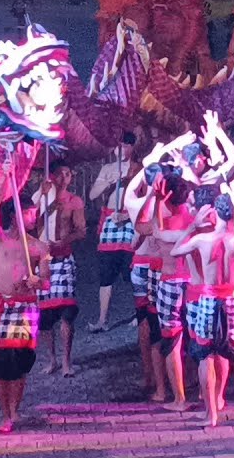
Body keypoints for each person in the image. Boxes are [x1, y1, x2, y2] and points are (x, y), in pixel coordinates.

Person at [171, 181, 234, 428]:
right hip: (232, 299)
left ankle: (212, 414)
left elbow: (176, 251)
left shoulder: (203, 240)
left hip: (208, 298)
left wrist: (191, 228)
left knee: (206, 354)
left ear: (215, 213)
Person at [0, 162, 50, 434]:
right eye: (30, 212)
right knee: (3, 362)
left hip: (26, 307)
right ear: (16, 216)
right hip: (2, 303)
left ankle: (15, 410)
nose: (34, 215)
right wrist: (5, 180)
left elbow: (45, 280)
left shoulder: (38, 246)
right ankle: (5, 414)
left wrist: (37, 281)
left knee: (23, 360)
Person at [137, 172, 198, 413]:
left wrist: (154, 195)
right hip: (193, 282)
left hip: (170, 282)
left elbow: (141, 225)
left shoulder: (162, 220)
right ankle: (204, 391)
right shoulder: (194, 218)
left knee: (172, 340)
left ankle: (180, 398)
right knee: (198, 337)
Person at [31, 162, 86, 377]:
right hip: (43, 260)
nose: (65, 177)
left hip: (63, 259)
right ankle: (52, 359)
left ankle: (66, 361)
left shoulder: (74, 202)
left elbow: (81, 231)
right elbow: (29, 221)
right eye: (60, 173)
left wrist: (63, 241)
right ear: (52, 176)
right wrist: (45, 199)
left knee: (66, 312)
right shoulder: (41, 197)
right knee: (45, 315)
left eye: (68, 173)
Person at [86, 133, 139, 332]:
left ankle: (139, 312)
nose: (123, 150)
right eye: (120, 146)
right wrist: (108, 181)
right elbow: (92, 195)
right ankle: (102, 319)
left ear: (132, 147)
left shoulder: (138, 168)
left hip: (129, 220)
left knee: (131, 271)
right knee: (106, 272)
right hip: (110, 221)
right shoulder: (108, 169)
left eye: (127, 146)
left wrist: (127, 216)